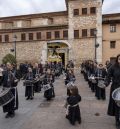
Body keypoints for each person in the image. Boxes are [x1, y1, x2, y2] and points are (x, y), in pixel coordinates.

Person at [104, 54, 120, 127]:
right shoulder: (113, 67)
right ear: (117, 59)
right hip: (116, 87)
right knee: (117, 105)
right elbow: (108, 75)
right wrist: (106, 83)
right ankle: (117, 120)